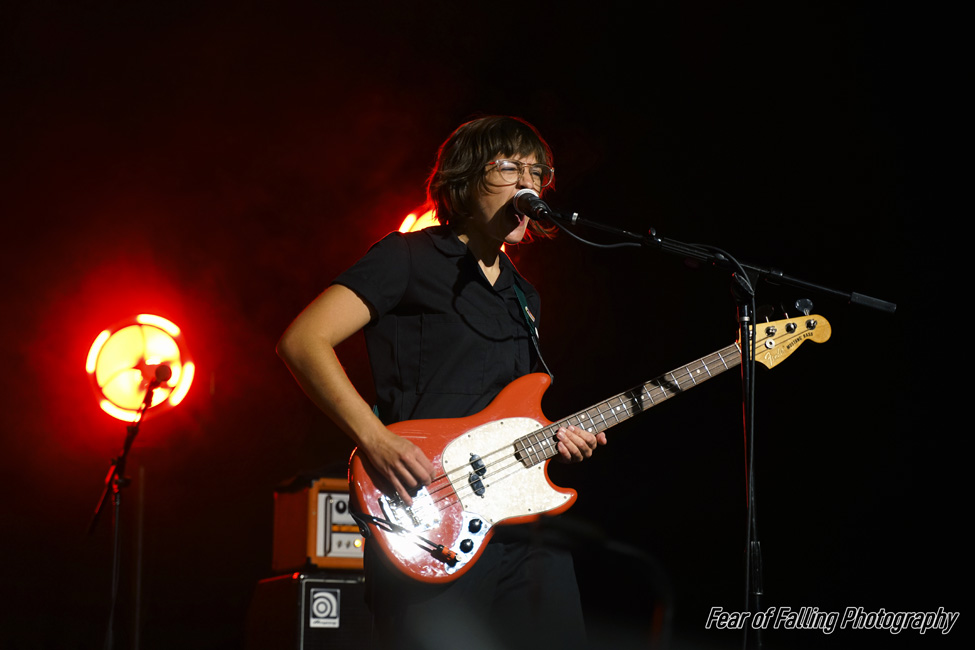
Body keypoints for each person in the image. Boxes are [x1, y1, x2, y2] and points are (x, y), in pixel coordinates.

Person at [277, 115, 607, 649]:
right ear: (465, 178)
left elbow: (508, 414)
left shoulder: (524, 296)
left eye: (537, 172)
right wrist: (375, 439)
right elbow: (302, 341)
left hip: (523, 528)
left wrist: (558, 439)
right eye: (511, 168)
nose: (529, 183)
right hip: (429, 515)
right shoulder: (406, 258)